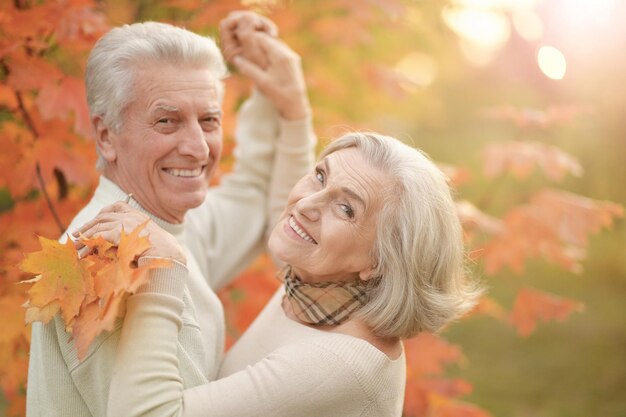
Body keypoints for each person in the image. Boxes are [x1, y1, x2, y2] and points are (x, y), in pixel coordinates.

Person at [26, 12, 316, 417]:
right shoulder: (105, 260)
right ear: (106, 135)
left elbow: (255, 196)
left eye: (209, 120)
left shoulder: (170, 228)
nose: (198, 148)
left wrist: (282, 100)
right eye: (167, 121)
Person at [79, 132, 482, 416]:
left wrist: (164, 272)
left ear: (380, 260)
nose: (307, 202)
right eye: (321, 176)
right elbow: (288, 215)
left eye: (346, 209)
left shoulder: (340, 362)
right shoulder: (318, 285)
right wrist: (289, 105)